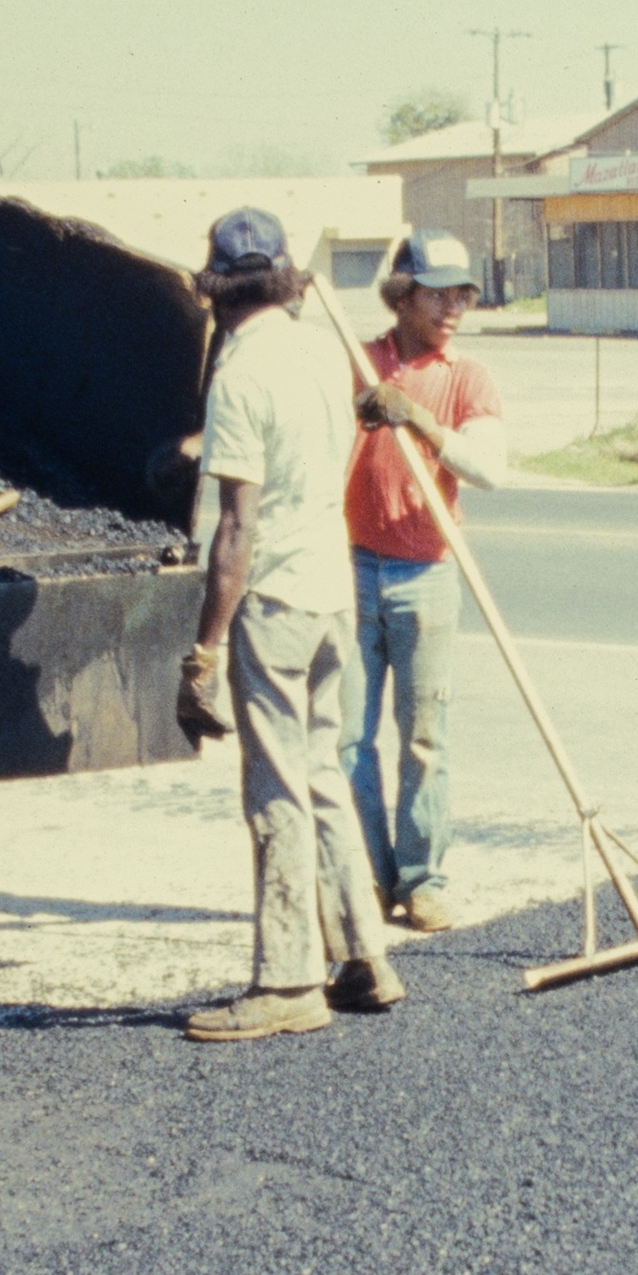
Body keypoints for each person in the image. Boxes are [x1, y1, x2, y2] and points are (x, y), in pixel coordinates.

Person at [178, 208, 402, 1041]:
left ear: (216, 289)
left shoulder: (239, 376)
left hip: (273, 599)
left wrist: (203, 649)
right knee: (322, 774)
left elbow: (236, 529)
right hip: (333, 591)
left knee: (275, 787)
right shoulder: (319, 352)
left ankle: (286, 981)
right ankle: (364, 955)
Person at [342, 229, 507, 931]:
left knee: (424, 737)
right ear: (402, 295)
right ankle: (369, 878)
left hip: (427, 573)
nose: (453, 308)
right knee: (346, 740)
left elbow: (490, 469)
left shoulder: (468, 377)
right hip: (352, 568)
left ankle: (423, 879)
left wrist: (421, 422)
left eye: (462, 294)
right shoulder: (358, 360)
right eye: (437, 294)